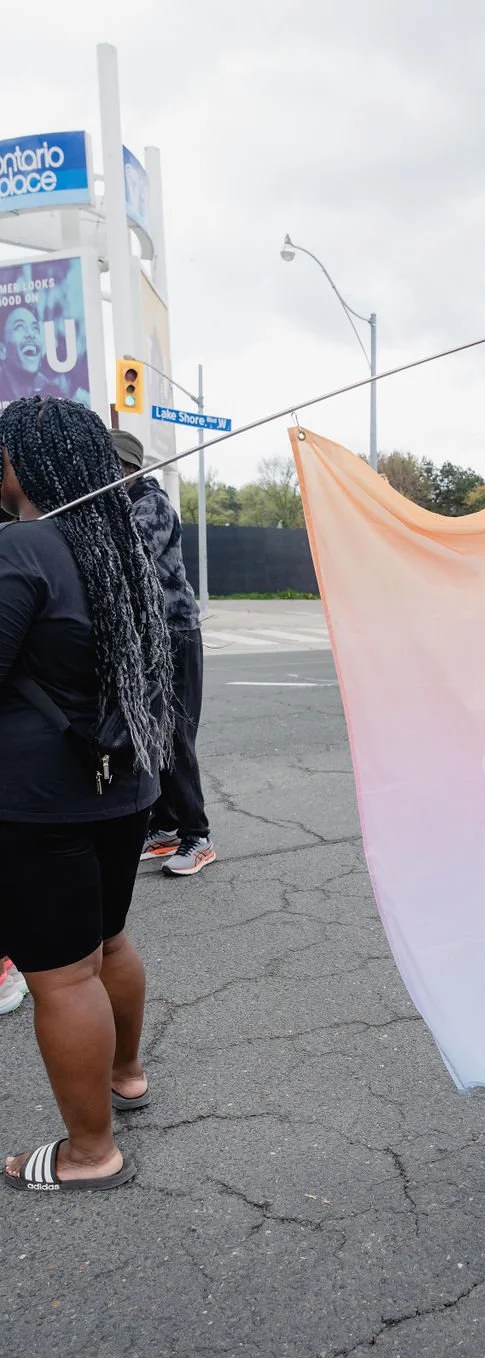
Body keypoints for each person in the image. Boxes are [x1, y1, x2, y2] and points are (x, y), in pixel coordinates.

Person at [0, 395, 172, 1193]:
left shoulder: (24, 548)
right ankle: (126, 1075)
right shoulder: (119, 543)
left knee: (62, 976)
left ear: (20, 465)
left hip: (40, 801)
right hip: (123, 789)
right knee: (106, 945)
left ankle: (89, 1153)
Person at [111, 430, 216, 877]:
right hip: (149, 637)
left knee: (174, 737)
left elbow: (132, 558)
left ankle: (198, 835)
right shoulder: (123, 504)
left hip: (175, 632)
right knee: (151, 735)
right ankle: (166, 827)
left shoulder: (150, 504)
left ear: (126, 469)